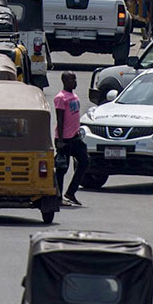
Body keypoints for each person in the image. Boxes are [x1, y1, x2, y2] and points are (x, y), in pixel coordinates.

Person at [51, 72, 87, 205]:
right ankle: (58, 197)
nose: (75, 81)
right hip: (64, 139)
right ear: (64, 81)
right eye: (72, 79)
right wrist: (60, 141)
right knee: (62, 169)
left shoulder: (73, 95)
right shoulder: (61, 98)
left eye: (75, 79)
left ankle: (71, 192)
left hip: (75, 137)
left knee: (84, 161)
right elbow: (60, 120)